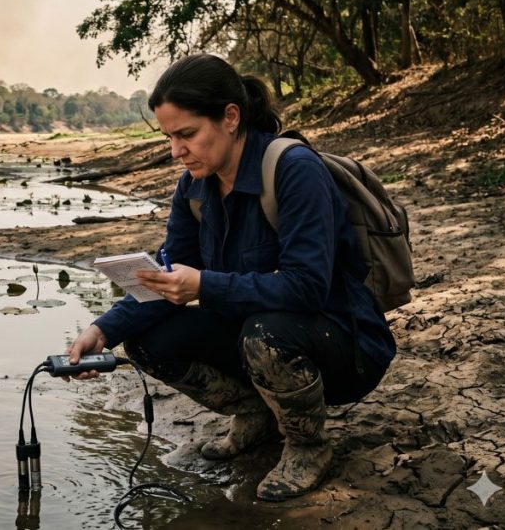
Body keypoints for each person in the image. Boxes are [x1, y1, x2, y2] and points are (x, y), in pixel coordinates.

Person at [64, 54, 395, 502]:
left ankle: (307, 445)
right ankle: (255, 413)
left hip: (342, 344)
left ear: (231, 118)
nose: (176, 151)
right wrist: (100, 331)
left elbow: (307, 286)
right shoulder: (193, 187)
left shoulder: (294, 169)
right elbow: (164, 278)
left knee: (267, 331)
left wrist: (204, 285)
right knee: (146, 339)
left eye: (187, 135)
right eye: (169, 138)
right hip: (255, 337)